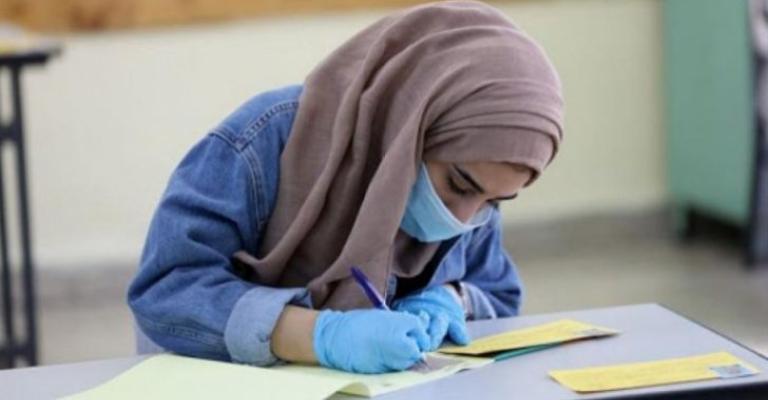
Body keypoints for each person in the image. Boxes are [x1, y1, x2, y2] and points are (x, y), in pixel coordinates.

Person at [127, 0, 564, 374]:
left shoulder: (477, 186)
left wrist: (450, 300)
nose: (462, 219)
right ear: (409, 127)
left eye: (495, 201)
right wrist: (318, 336)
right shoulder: (261, 142)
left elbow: (498, 289)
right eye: (459, 184)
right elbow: (166, 292)